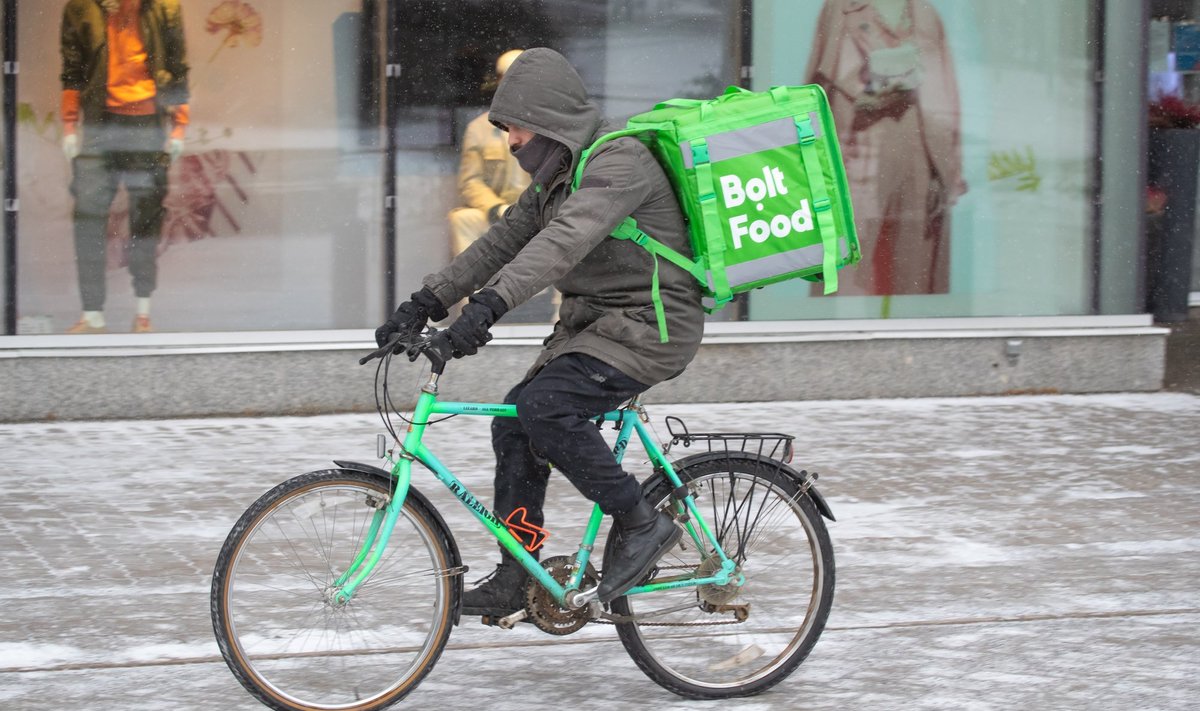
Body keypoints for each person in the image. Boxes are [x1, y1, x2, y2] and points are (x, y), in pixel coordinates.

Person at [375, 47, 705, 615]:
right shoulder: (557, 176)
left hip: (651, 325)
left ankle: (641, 521)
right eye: (504, 129)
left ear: (549, 116)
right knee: (517, 421)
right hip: (598, 326)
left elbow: (561, 244)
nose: (511, 141)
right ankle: (516, 575)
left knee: (547, 407)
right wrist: (426, 301)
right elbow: (503, 242)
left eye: (516, 127)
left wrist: (487, 307)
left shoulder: (617, 163)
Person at [806, 0, 965, 295]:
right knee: (846, 271)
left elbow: (946, 99)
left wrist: (944, 170)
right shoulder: (840, 8)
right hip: (858, 151)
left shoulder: (925, 13)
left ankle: (915, 339)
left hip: (918, 150)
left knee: (914, 271)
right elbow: (819, 87)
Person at [60, 0, 190, 333]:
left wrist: (179, 126)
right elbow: (72, 70)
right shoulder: (81, 8)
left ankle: (143, 311)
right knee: (87, 216)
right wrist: (70, 125)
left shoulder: (164, 7)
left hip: (147, 125)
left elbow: (177, 67)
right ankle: (92, 314)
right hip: (99, 125)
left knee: (146, 216)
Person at [448, 49, 530, 257]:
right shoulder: (479, 129)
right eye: (507, 78)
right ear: (499, 82)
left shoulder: (548, 126)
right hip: (499, 211)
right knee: (463, 219)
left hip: (535, 211)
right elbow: (470, 181)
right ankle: (467, 284)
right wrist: (496, 209)